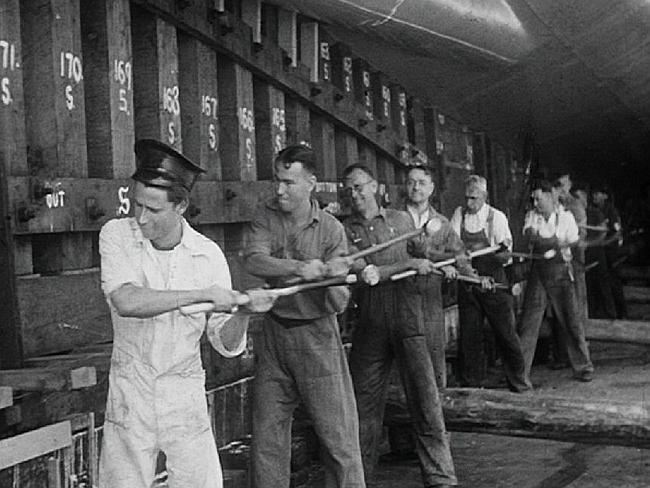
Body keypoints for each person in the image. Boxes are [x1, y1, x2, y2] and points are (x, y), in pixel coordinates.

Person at [98, 139, 270, 488]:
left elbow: (225, 344)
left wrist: (243, 313)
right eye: (137, 205)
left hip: (184, 391)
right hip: (131, 391)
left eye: (154, 210)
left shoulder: (207, 255)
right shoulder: (117, 235)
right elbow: (127, 302)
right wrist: (201, 294)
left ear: (181, 206)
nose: (141, 218)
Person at [241, 144, 365, 488]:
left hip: (318, 339)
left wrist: (330, 278)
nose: (279, 189)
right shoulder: (266, 215)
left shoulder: (331, 230)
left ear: (310, 183)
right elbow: (253, 259)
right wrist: (300, 268)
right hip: (275, 335)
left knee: (339, 438)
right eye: (277, 180)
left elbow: (339, 303)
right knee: (267, 440)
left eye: (289, 182)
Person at [342, 163, 457, 488]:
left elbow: (423, 252)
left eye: (360, 186)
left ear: (375, 187)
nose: (355, 194)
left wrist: (434, 260)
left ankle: (441, 479)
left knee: (426, 403)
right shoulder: (345, 231)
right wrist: (409, 263)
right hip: (371, 323)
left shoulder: (401, 220)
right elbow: (367, 272)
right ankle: (358, 481)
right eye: (349, 189)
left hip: (409, 320)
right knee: (362, 409)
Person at [450, 175, 530, 392]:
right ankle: (472, 387)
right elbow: (454, 247)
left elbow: (507, 258)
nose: (469, 203)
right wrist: (471, 272)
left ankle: (519, 383)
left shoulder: (497, 218)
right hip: (469, 282)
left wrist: (502, 252)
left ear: (484, 196)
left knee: (506, 334)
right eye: (467, 198)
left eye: (474, 198)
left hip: (494, 282)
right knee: (469, 337)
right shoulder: (459, 215)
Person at [517, 180, 594, 384]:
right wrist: (546, 239)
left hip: (561, 273)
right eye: (533, 199)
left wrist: (559, 243)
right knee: (529, 324)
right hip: (539, 274)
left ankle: (584, 367)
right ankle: (520, 374)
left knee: (571, 321)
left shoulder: (566, 217)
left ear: (551, 196)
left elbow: (573, 241)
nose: (536, 203)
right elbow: (530, 235)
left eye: (539, 198)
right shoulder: (532, 217)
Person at [403, 165, 465, 388]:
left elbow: (459, 254)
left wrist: (456, 268)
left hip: (430, 297)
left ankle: (440, 404)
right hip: (400, 296)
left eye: (421, 182)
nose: (415, 187)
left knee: (434, 351)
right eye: (411, 182)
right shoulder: (394, 219)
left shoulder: (444, 224)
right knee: (403, 357)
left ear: (431, 188)